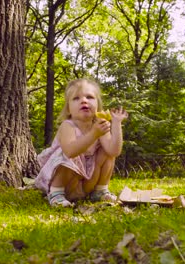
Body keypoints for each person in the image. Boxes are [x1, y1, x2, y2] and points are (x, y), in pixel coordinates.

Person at [34, 78, 128, 207]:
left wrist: (116, 124)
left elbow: (114, 151)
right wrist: (94, 134)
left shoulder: (99, 125)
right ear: (68, 109)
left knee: (106, 152)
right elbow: (70, 151)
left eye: (89, 97)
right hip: (66, 183)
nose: (84, 100)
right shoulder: (68, 126)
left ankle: (99, 191)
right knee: (68, 152)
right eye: (76, 98)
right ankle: (56, 194)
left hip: (86, 183)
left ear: (98, 106)